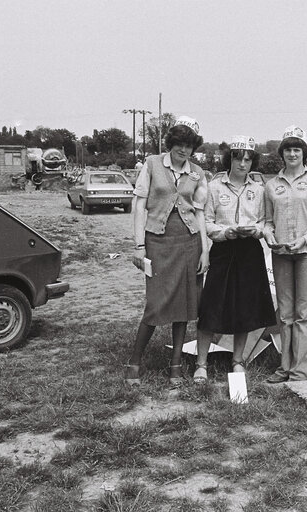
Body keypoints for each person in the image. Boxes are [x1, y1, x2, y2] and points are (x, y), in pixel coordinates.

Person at [125, 116, 209, 386]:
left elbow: (200, 214)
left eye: (189, 146)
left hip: (189, 242)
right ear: (171, 143)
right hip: (158, 242)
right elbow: (139, 206)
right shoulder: (151, 164)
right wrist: (139, 246)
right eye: (179, 144)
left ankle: (175, 367)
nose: (183, 150)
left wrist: (205, 250)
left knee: (185, 305)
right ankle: (134, 363)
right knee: (156, 303)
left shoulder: (198, 173)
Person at [194, 136, 276, 383]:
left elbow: (265, 221)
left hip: (250, 251)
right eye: (238, 158)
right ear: (229, 159)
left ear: (253, 162)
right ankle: (201, 364)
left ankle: (237, 361)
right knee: (212, 306)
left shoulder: (259, 190)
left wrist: (258, 230)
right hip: (224, 249)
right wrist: (224, 232)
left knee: (245, 308)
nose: (243, 164)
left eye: (248, 159)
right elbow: (206, 221)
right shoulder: (215, 187)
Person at [263, 126, 307, 383]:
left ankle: (301, 371)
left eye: (297, 149)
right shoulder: (271, 185)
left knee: (305, 313)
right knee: (285, 313)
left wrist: (304, 238)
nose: (292, 154)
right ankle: (285, 366)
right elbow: (267, 221)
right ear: (282, 153)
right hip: (281, 254)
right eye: (288, 150)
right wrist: (268, 235)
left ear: (304, 153)